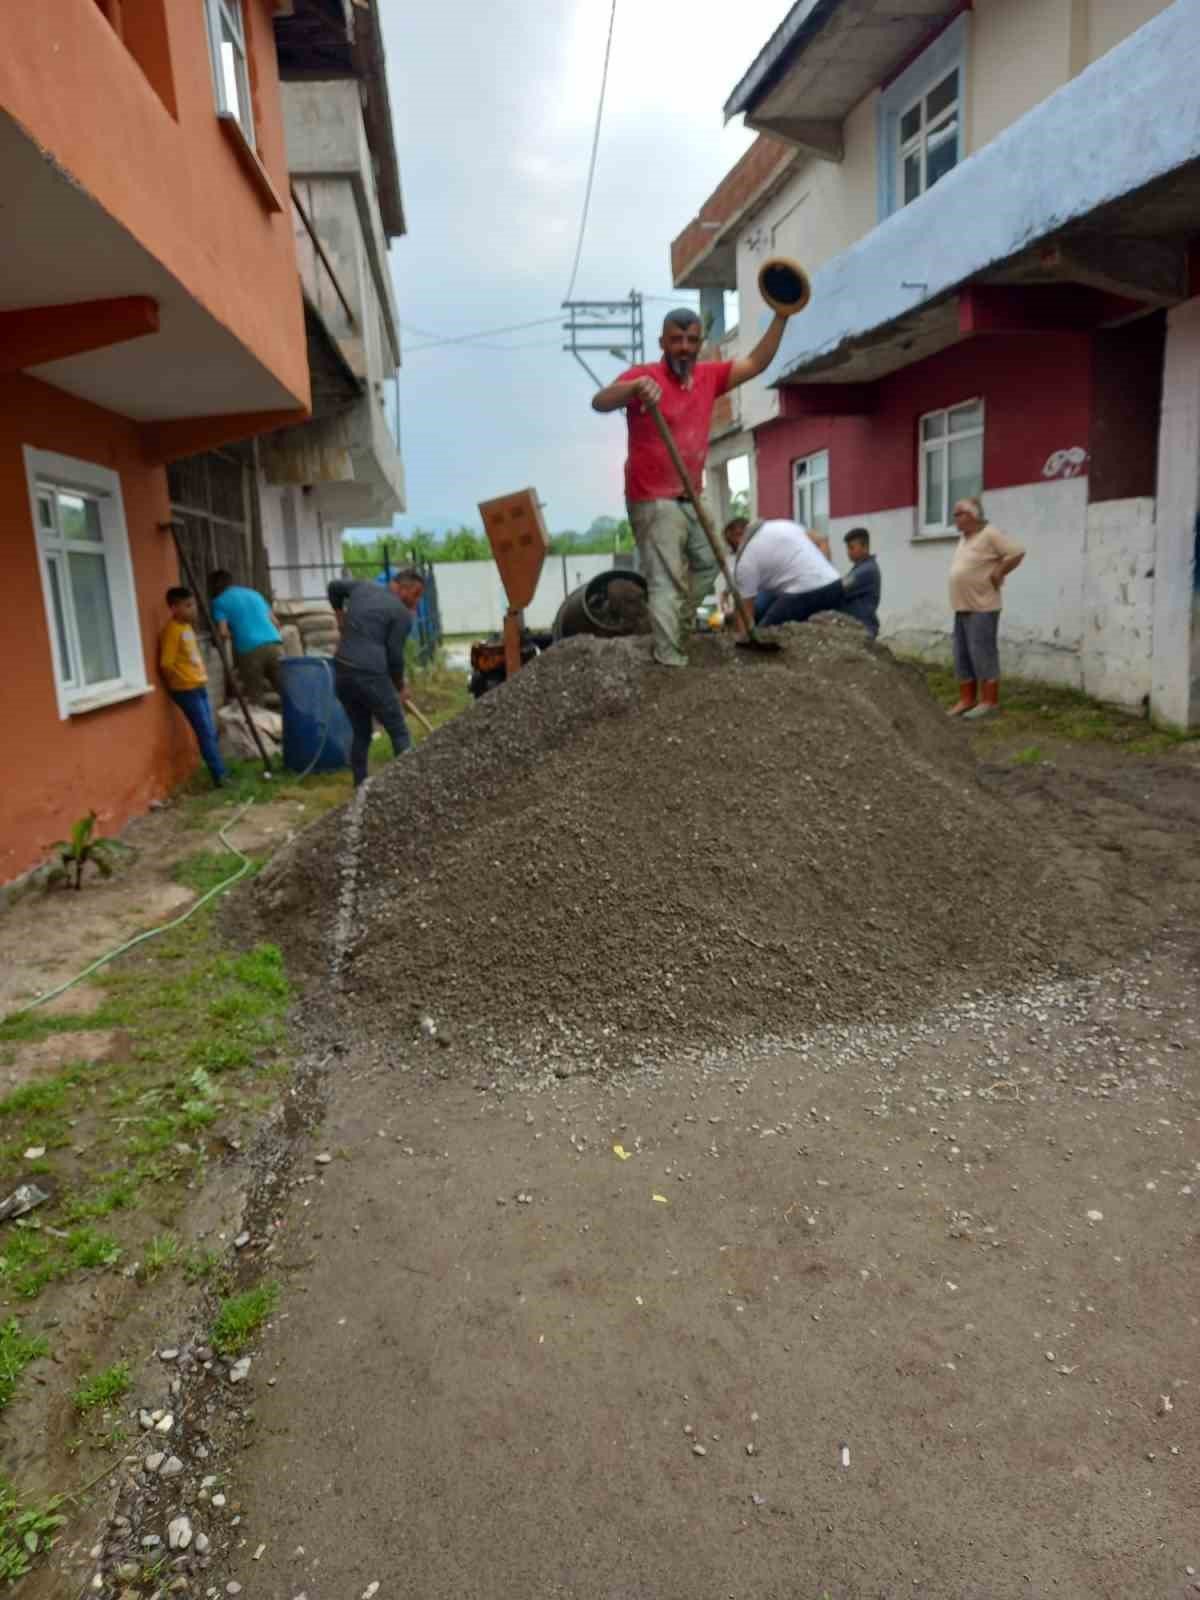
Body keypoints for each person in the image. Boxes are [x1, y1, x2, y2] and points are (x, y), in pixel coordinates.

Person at [591, 306, 791, 668]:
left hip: (690, 494)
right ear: (662, 342)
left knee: (708, 561)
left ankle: (673, 626)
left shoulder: (708, 377)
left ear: (700, 343)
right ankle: (669, 659)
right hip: (653, 500)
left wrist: (781, 317)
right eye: (676, 339)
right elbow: (600, 401)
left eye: (691, 340)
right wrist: (633, 388)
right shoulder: (644, 377)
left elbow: (757, 363)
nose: (684, 347)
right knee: (667, 579)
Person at [328, 566, 425, 787]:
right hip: (369, 673)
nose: (417, 602)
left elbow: (334, 587)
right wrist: (399, 687)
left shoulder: (362, 587)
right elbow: (394, 657)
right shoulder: (401, 614)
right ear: (402, 588)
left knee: (361, 730)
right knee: (398, 729)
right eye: (416, 595)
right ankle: (409, 787)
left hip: (342, 670)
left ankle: (359, 785)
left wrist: (339, 615)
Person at [946, 497, 1026, 719]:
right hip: (962, 606)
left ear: (972, 515)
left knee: (983, 653)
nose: (955, 519)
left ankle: (989, 702)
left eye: (958, 513)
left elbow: (1017, 552)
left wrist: (1000, 571)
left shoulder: (989, 534)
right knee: (962, 654)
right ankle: (967, 699)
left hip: (983, 606)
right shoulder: (964, 539)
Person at [159, 586, 227, 788]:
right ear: (173, 608)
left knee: (210, 730)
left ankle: (221, 769)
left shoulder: (187, 627)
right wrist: (181, 682)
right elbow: (166, 663)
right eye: (188, 605)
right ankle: (220, 776)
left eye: (194, 604)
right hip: (186, 689)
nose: (193, 609)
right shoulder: (171, 631)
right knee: (205, 731)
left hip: (199, 685)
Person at [726, 517, 844, 628]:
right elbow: (822, 540)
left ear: (736, 542)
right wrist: (823, 571)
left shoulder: (745, 561)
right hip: (835, 585)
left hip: (804, 592)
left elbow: (745, 615)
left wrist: (742, 642)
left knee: (767, 632)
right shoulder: (783, 524)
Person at [208, 570, 284, 703]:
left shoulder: (219, 602)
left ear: (215, 586)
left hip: (249, 650)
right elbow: (276, 623)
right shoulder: (254, 594)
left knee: (255, 696)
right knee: (286, 690)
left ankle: (261, 723)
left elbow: (223, 632)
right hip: (275, 644)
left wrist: (238, 633)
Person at [841, 527, 881, 639]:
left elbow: (840, 588)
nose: (848, 552)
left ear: (865, 547)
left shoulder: (866, 571)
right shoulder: (860, 568)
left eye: (851, 548)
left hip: (863, 630)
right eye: (847, 548)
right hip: (858, 628)